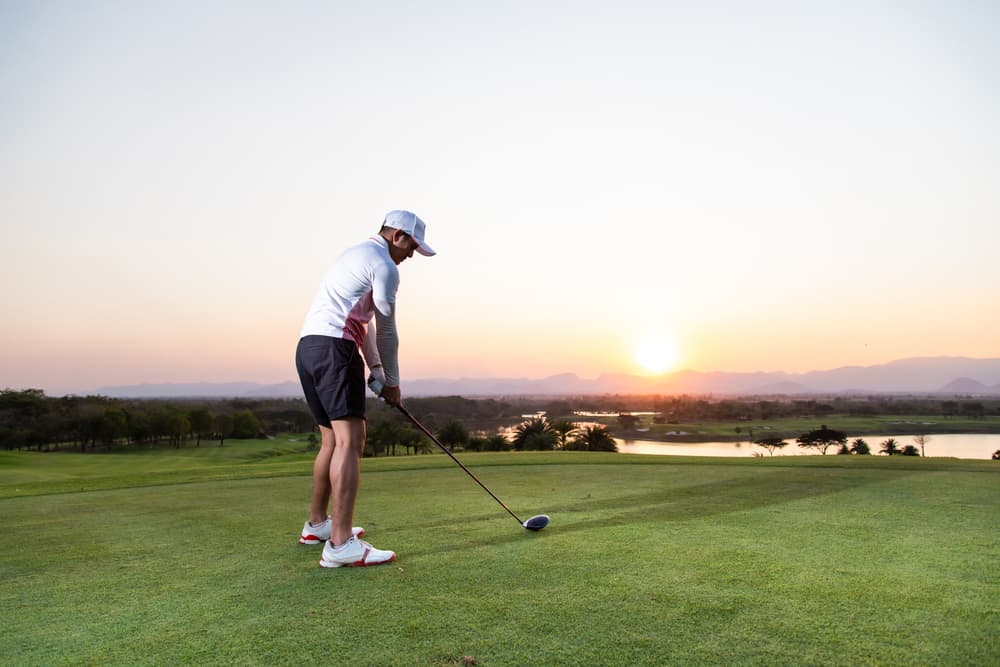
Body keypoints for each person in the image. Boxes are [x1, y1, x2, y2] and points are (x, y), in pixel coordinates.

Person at [295, 210, 435, 568]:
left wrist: (374, 369)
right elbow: (387, 330)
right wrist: (393, 382)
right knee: (351, 441)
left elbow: (362, 323)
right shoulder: (385, 267)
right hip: (334, 349)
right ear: (398, 236)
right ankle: (341, 545)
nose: (410, 257)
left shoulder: (354, 255)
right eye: (411, 248)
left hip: (309, 347)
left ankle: (317, 527)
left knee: (331, 440)